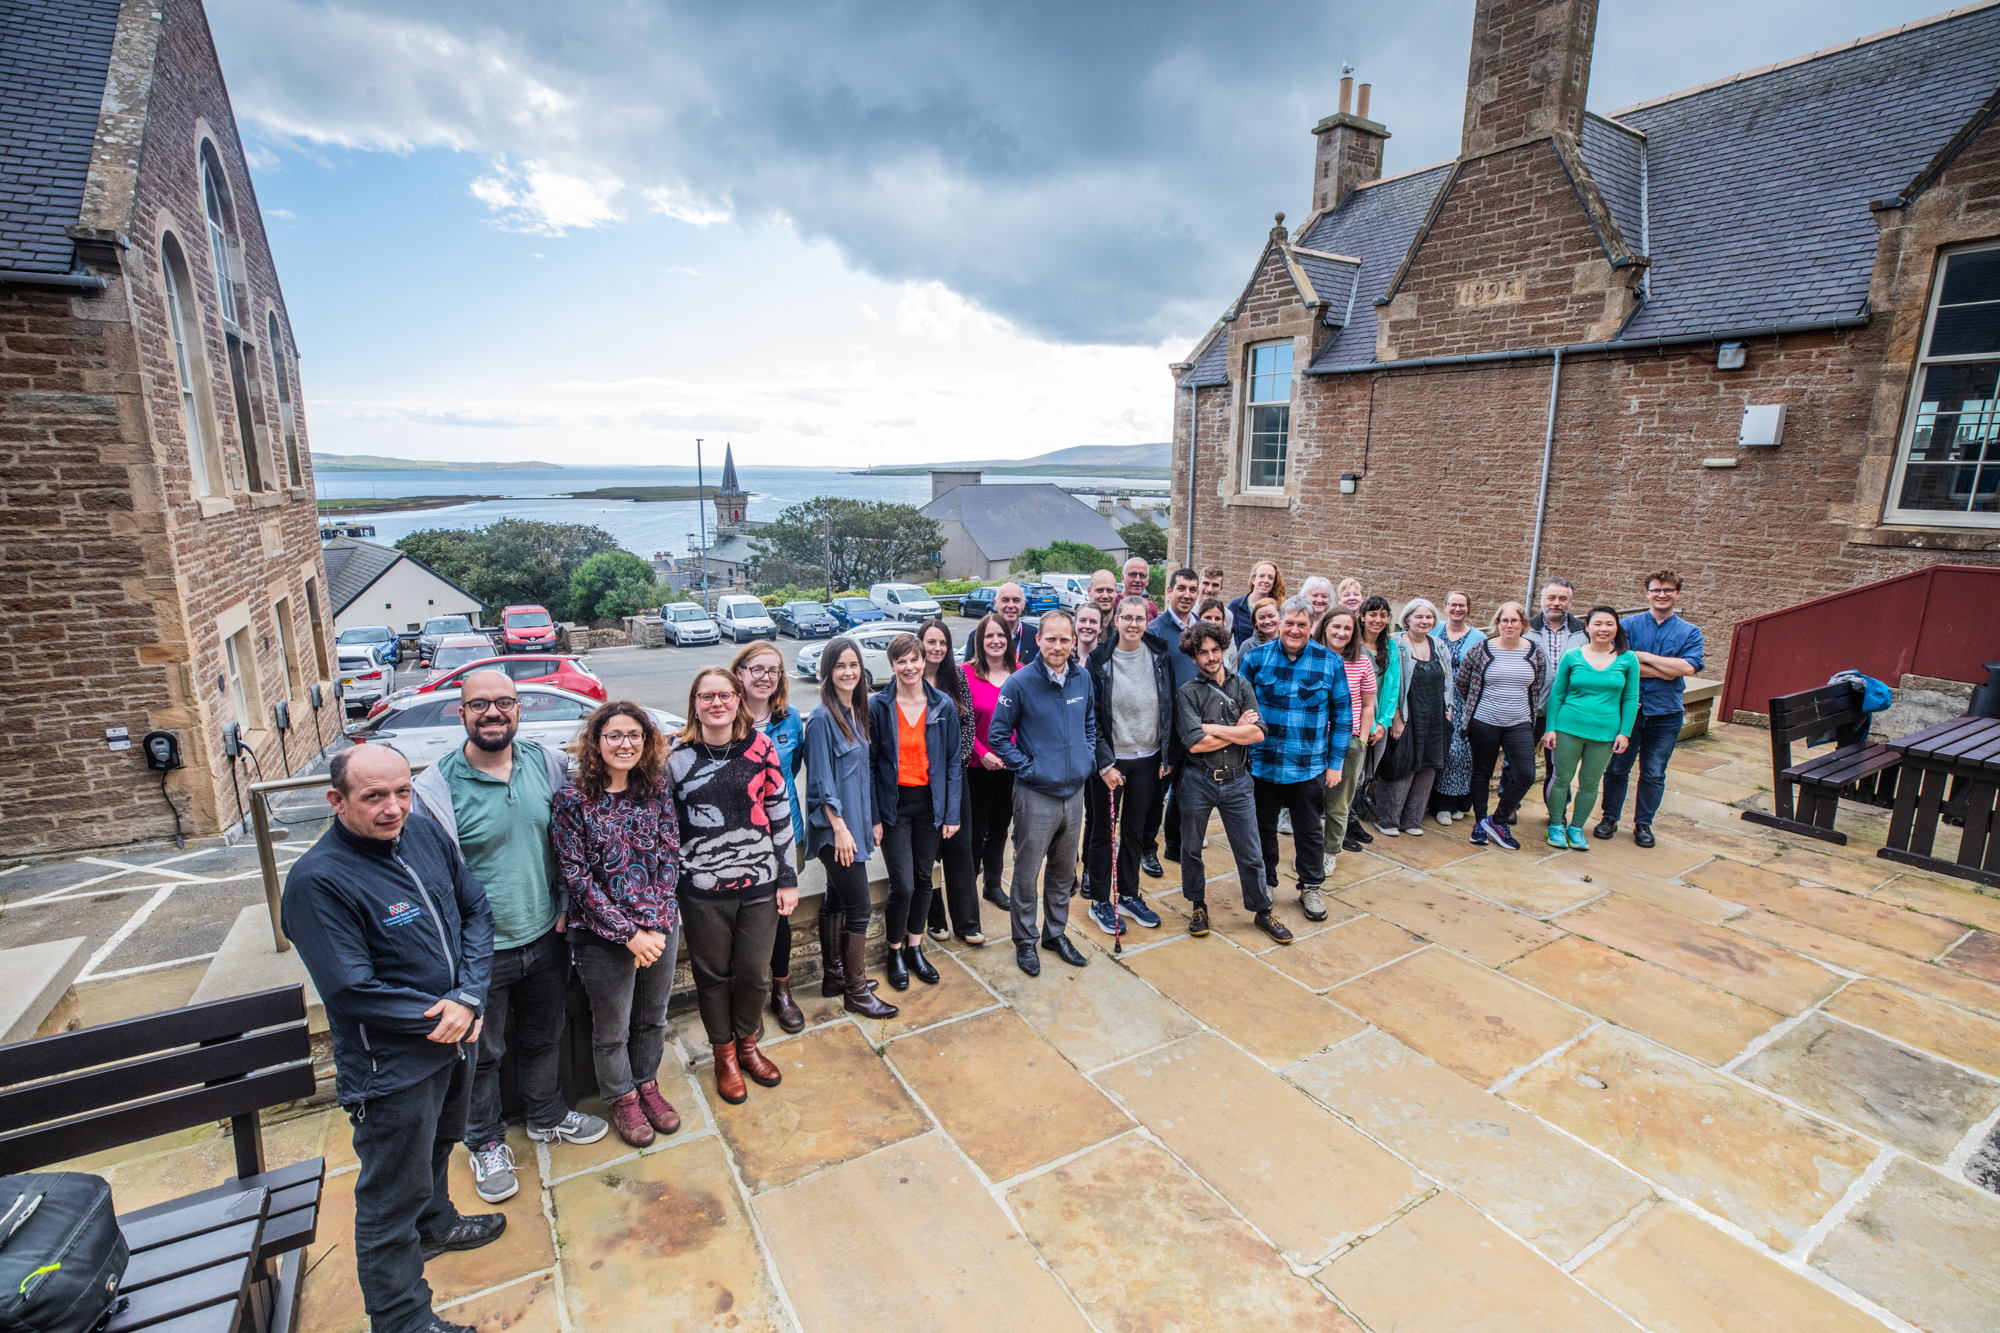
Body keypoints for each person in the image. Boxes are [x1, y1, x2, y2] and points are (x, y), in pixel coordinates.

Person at [283, 744, 499, 1333]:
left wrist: (470, 996)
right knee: (389, 1198)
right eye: (374, 796)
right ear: (337, 800)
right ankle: (402, 1319)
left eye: (402, 792)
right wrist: (449, 1014)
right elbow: (351, 989)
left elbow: (476, 910)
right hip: (392, 1068)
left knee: (441, 1145)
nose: (393, 808)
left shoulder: (423, 833)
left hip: (456, 1038)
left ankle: (436, 1224)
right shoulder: (317, 881)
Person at [411, 670, 606, 1203]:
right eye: (479, 705)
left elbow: (573, 837)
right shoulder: (435, 788)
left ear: (519, 709)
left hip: (546, 934)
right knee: (482, 1053)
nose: (492, 713)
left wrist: (566, 903)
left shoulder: (548, 765)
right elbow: (427, 877)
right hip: (479, 953)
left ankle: (546, 1115)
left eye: (503, 702)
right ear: (461, 713)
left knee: (544, 1035)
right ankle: (486, 1142)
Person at [551, 703, 684, 1149]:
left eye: (634, 735)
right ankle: (622, 1097)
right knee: (612, 1029)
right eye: (614, 735)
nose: (625, 744)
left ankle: (647, 1083)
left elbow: (669, 856)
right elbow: (577, 877)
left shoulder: (656, 790)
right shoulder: (571, 800)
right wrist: (629, 934)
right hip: (602, 935)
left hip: (659, 929)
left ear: (647, 742)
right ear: (596, 742)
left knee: (653, 1017)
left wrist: (658, 926)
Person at [666, 667, 798, 1104]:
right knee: (712, 976)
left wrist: (788, 877)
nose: (716, 703)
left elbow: (779, 811)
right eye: (707, 696)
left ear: (738, 699)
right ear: (694, 703)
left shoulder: (761, 747)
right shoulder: (675, 756)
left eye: (724, 694)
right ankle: (724, 1055)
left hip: (760, 881)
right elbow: (665, 826)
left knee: (755, 974)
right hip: (701, 889)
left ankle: (748, 1044)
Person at [987, 607, 1096, 977]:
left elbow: (1090, 723)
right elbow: (998, 737)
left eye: (1065, 639)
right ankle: (1025, 940)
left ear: (1073, 641)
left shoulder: (1082, 678)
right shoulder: (1019, 683)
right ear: (1038, 640)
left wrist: (1087, 759)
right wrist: (1029, 768)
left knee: (1063, 872)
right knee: (1027, 872)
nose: (1058, 646)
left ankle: (1055, 934)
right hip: (1035, 795)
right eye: (1051, 639)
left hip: (1074, 793)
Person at [1176, 622, 1295, 943]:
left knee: (1251, 851)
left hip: (1238, 781)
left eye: (1216, 650)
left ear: (1224, 649)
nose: (1211, 657)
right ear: (1193, 657)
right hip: (1198, 781)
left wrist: (1211, 728)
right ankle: (1198, 906)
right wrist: (1236, 730)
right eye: (1203, 652)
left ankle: (1262, 910)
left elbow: (1257, 733)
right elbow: (1195, 744)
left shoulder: (1242, 685)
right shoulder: (1187, 693)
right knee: (1191, 849)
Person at [1238, 594, 1350, 924]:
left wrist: (1336, 763)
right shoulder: (1255, 659)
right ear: (1279, 623)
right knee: (1262, 829)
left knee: (1309, 832)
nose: (1295, 630)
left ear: (1312, 626)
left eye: (1302, 624)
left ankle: (1311, 886)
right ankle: (1266, 882)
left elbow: (1343, 718)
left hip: (1308, 766)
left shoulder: (1330, 663)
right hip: (1262, 764)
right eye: (1289, 623)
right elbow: (1236, 707)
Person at [803, 637, 897, 1019]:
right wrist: (840, 829)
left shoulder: (857, 712)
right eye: (840, 666)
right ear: (827, 671)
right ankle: (856, 992)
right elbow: (819, 781)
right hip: (835, 831)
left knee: (837, 899)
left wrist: (872, 819)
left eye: (853, 665)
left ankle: (835, 977)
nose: (848, 672)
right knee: (860, 908)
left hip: (855, 825)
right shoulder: (821, 718)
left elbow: (864, 774)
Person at [869, 633, 962, 989]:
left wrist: (951, 813)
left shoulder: (942, 705)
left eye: (914, 659)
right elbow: (870, 765)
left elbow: (952, 762)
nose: (909, 667)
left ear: (925, 661)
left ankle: (914, 947)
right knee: (903, 885)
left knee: (924, 879)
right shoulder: (879, 706)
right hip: (894, 808)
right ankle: (893, 951)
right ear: (892, 665)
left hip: (929, 806)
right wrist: (874, 817)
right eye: (901, 661)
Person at [1082, 595, 1175, 936]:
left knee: (1136, 830)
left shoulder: (1160, 654)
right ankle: (1100, 901)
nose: (1133, 624)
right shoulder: (1098, 660)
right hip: (1111, 762)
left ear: (1147, 622)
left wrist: (1167, 755)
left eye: (1140, 618)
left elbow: (1169, 704)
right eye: (1128, 618)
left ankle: (1128, 894)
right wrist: (1104, 763)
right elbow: (1090, 717)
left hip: (1148, 758)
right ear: (1116, 620)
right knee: (1103, 832)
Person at [1595, 571, 1704, 848]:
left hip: (1666, 712)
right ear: (1647, 593)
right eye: (1656, 590)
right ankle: (1609, 818)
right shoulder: (1628, 626)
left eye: (1668, 590)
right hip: (1627, 711)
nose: (1662, 595)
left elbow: (1688, 667)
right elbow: (1619, 663)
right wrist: (1667, 669)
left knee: (1654, 772)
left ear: (1677, 594)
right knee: (1617, 768)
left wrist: (1643, 657)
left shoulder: (1690, 632)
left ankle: (1643, 824)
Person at [733, 642, 806, 1034]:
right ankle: (749, 998)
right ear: (739, 672)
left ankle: (781, 991)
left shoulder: (790, 719)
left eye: (773, 670)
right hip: (739, 840)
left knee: (781, 915)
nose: (765, 677)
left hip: (785, 834)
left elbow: (790, 773)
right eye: (756, 669)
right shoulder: (724, 714)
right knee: (743, 921)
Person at [1543, 605, 1640, 850]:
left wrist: (1625, 733)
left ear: (1616, 628)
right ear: (1587, 627)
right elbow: (1557, 693)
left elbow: (1630, 698)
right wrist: (1550, 728)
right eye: (1597, 623)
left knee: (1589, 783)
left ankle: (1576, 828)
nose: (1603, 629)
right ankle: (1556, 825)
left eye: (1609, 624)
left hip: (1605, 733)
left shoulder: (1628, 659)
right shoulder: (1572, 656)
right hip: (1568, 728)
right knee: (1561, 778)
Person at [1455, 603, 1548, 851]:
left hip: (1519, 722)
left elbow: (1537, 686)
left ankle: (1497, 821)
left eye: (1514, 620)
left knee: (1526, 774)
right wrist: (1477, 706)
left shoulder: (1535, 652)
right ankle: (1479, 824)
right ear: (1497, 623)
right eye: (1504, 620)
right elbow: (1462, 682)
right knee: (1482, 773)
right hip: (1484, 721)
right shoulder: (1480, 650)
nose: (1509, 625)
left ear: (1523, 624)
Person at [919, 619, 984, 946]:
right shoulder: (910, 678)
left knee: (960, 850)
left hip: (956, 779)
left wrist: (954, 768)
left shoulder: (956, 677)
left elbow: (968, 725)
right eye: (931, 642)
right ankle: (935, 919)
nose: (937, 648)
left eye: (942, 642)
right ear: (920, 643)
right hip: (921, 783)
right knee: (928, 852)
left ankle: (968, 922)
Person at [1142, 566, 1203, 872]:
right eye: (1181, 588)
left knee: (1186, 790)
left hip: (1196, 726)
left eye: (1193, 590)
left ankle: (1175, 845)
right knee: (1157, 793)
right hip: (1165, 728)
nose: (1187, 595)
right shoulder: (1154, 630)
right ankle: (1147, 848)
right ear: (1169, 591)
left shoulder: (1203, 629)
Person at [1375, 599, 1452, 837]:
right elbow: (1392, 684)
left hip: (1435, 716)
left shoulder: (1439, 645)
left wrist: (1448, 709)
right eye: (1419, 616)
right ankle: (1388, 819)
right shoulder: (1395, 644)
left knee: (1428, 766)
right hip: (1407, 715)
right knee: (1400, 765)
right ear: (1407, 619)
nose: (1424, 621)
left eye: (1429, 617)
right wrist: (1396, 718)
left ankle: (1412, 820)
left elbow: (1448, 680)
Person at [962, 613, 1018, 912]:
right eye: (989, 636)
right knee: (975, 832)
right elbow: (961, 723)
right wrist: (982, 753)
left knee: (999, 829)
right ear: (979, 640)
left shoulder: (1022, 673)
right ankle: (966, 892)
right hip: (977, 768)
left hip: (1011, 768)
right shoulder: (964, 674)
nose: (996, 641)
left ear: (1008, 639)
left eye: (1001, 635)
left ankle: (993, 886)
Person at [1317, 610, 1377, 865]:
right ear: (1325, 627)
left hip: (1348, 742)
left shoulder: (1362, 662)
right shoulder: (1311, 657)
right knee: (1308, 800)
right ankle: (1308, 852)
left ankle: (1330, 852)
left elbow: (1368, 705)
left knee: (1339, 802)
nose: (1341, 633)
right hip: (1313, 739)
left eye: (1347, 628)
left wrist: (1361, 741)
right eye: (1336, 626)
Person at [1524, 577, 1589, 802]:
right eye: (1551, 597)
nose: (1556, 603)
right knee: (1517, 763)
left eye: (1563, 598)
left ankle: (1557, 810)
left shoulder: (1584, 632)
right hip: (1530, 709)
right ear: (1542, 600)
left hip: (1566, 711)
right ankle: (1509, 808)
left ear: (1570, 602)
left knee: (1561, 766)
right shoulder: (1525, 628)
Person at [1428, 591, 1486, 826]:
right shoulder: (1435, 629)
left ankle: (1459, 802)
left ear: (1468, 608)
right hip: (1435, 697)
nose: (1457, 609)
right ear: (1445, 607)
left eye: (1462, 605)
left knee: (1461, 751)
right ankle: (1441, 804)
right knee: (1443, 749)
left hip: (1463, 700)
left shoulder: (1478, 637)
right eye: (1453, 604)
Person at [1354, 595, 1401, 841]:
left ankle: (1352, 817)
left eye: (1383, 615)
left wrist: (1383, 722)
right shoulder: (1353, 645)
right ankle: (1344, 821)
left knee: (1367, 774)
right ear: (1362, 616)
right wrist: (1369, 724)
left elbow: (1393, 688)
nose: (1378, 619)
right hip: (1357, 720)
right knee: (1353, 773)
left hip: (1379, 721)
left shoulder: (1390, 647)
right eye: (1372, 614)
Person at [960, 581, 1039, 665]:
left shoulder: (1035, 636)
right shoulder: (977, 636)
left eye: (1016, 600)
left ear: (1023, 604)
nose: (1011, 605)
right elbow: (969, 670)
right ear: (995, 603)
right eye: (1005, 600)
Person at [1227, 561, 1285, 647]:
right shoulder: (1235, 605)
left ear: (1274, 583)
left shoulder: (1280, 608)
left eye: (1270, 577)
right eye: (1261, 576)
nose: (1266, 580)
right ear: (1253, 580)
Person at [1224, 596, 1280, 673]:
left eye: (1271, 616)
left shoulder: (1289, 643)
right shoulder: (1248, 646)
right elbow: (1242, 678)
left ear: (1280, 617)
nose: (1267, 621)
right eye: (1261, 618)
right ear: (1255, 622)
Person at [1199, 566, 1232, 635]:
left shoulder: (1227, 615)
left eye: (1215, 585)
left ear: (1221, 589)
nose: (1209, 589)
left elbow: (1228, 640)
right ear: (1198, 585)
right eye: (1206, 583)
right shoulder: (1188, 611)